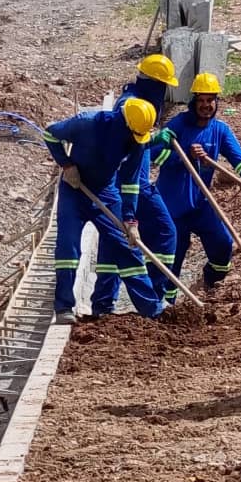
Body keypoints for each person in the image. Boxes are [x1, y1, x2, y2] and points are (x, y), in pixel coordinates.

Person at [150, 72, 241, 302]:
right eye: (201, 100)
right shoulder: (178, 125)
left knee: (223, 245)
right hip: (172, 208)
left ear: (216, 102)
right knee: (174, 257)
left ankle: (211, 284)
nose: (205, 105)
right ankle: (166, 307)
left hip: (201, 204)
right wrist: (184, 156)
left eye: (210, 100)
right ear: (193, 101)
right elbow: (152, 155)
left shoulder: (220, 130)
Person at [42, 98, 164, 323]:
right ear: (124, 124)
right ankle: (64, 307)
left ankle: (151, 308)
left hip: (106, 193)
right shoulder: (87, 123)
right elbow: (50, 134)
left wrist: (130, 219)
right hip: (74, 189)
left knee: (128, 246)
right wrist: (67, 165)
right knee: (68, 249)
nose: (135, 141)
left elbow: (130, 183)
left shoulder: (136, 142)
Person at [92, 54, 181, 314]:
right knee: (165, 233)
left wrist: (156, 142)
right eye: (163, 86)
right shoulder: (128, 104)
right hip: (131, 185)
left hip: (128, 183)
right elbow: (125, 141)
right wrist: (154, 139)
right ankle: (155, 299)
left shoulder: (136, 101)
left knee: (113, 242)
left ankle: (102, 304)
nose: (164, 93)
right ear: (154, 83)